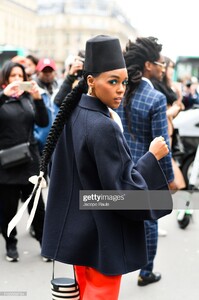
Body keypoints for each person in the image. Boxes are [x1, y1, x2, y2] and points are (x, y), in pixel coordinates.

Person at [10, 35, 172, 299]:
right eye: (112, 81)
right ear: (91, 81)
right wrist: (151, 157)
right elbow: (124, 194)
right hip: (102, 236)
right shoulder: (102, 126)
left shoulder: (74, 114)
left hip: (80, 232)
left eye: (123, 82)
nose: (121, 89)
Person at [117, 37, 177, 287]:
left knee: (116, 217)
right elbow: (161, 148)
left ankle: (115, 268)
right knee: (149, 221)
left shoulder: (116, 91)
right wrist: (169, 180)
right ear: (148, 65)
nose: (162, 68)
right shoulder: (154, 99)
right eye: (160, 64)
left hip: (117, 168)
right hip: (145, 170)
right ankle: (146, 271)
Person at [0, 61, 49, 262]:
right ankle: (11, 244)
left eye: (21, 76)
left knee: (38, 206)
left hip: (29, 160)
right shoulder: (2, 99)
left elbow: (43, 122)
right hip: (7, 162)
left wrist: (38, 100)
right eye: (13, 76)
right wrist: (3, 96)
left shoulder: (28, 98)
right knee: (8, 207)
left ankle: (44, 243)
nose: (18, 80)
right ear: (5, 79)